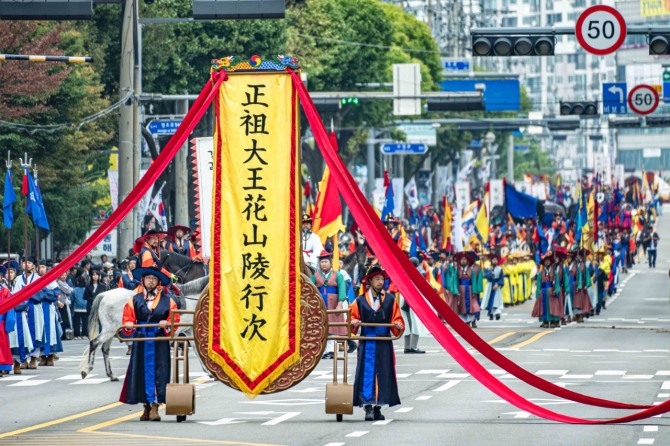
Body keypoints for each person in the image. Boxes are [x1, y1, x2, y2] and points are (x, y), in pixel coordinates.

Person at [119, 266, 180, 422]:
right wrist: (128, 324)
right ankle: (146, 405)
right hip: (141, 340)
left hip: (159, 340)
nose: (151, 281)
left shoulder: (169, 300)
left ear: (159, 282)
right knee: (140, 371)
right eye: (148, 278)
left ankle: (155, 406)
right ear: (143, 280)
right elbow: (127, 317)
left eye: (154, 279)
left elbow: (175, 320)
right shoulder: (134, 299)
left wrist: (167, 322)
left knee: (160, 372)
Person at [350, 265, 404, 421]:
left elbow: (397, 318)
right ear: (370, 281)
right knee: (367, 373)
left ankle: (378, 407)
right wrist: (354, 321)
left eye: (382, 279)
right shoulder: (359, 301)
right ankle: (367, 406)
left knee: (383, 372)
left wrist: (398, 325)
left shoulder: (390, 299)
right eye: (377, 279)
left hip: (384, 342)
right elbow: (352, 318)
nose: (381, 282)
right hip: (367, 341)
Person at [310, 251, 347, 360]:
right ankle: (324, 350)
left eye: (326, 262)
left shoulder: (338, 275)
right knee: (322, 327)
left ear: (330, 263)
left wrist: (340, 303)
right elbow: (310, 288)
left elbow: (342, 289)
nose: (324, 264)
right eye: (322, 262)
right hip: (320, 304)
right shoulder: (315, 276)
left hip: (333, 304)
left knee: (333, 327)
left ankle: (331, 350)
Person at [12, 256, 43, 370]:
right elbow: (15, 294)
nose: (27, 265)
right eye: (24, 262)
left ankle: (34, 358)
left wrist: (29, 291)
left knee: (36, 331)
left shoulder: (38, 278)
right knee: (24, 333)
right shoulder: (18, 279)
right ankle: (23, 358)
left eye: (29, 262)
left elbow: (41, 294)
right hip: (22, 309)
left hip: (34, 307)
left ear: (33, 265)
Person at [531, 252, 562, 328]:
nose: (547, 262)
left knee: (553, 306)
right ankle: (545, 321)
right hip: (543, 292)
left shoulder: (554, 272)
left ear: (551, 262)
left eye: (548, 261)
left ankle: (553, 321)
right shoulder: (541, 273)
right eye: (545, 261)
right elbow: (538, 284)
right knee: (543, 307)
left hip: (552, 291)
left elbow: (557, 283)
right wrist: (538, 293)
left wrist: (556, 290)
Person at [401, 258, 425, 354]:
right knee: (416, 324)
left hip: (404, 300)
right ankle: (413, 347)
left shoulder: (403, 273)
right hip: (414, 300)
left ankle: (407, 347)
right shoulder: (418, 274)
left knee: (407, 325)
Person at [455, 251, 483, 328]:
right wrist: (456, 290)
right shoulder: (458, 269)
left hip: (471, 289)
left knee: (472, 306)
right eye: (462, 259)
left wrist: (475, 290)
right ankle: (465, 321)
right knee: (462, 306)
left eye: (465, 259)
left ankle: (472, 320)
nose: (463, 261)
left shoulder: (474, 269)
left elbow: (475, 280)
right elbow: (456, 280)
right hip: (461, 290)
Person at [482, 252, 504, 321]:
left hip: (496, 286)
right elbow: (485, 276)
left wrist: (498, 284)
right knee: (490, 300)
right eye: (493, 260)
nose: (495, 261)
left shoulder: (500, 269)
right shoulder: (488, 269)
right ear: (491, 261)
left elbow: (501, 278)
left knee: (496, 300)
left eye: (496, 260)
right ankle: (490, 313)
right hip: (490, 285)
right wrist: (490, 271)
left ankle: (497, 313)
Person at [0, 285, 14, 376]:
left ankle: (2, 367)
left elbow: (10, 307)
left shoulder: (6, 291)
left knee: (3, 345)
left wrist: (8, 323)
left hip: (1, 321)